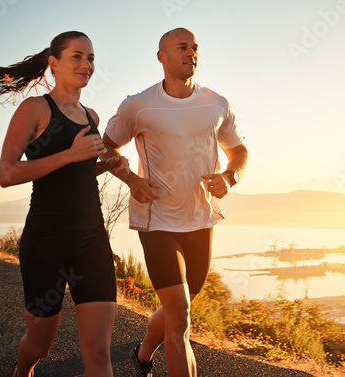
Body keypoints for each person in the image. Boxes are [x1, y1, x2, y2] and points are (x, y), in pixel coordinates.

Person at [102, 27, 249, 377]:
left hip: (201, 220)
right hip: (157, 221)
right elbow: (106, 146)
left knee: (176, 311)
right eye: (183, 47)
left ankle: (142, 353)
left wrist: (229, 177)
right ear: (162, 57)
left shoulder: (217, 103)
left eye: (195, 47)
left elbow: (239, 152)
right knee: (181, 318)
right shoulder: (139, 105)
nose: (191, 53)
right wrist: (131, 180)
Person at [0, 31, 129, 377]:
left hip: (91, 240)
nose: (86, 65)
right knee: (40, 346)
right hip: (46, 242)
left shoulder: (91, 115)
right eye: (77, 56)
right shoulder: (34, 109)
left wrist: (107, 165)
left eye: (91, 58)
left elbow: (78, 171)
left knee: (97, 352)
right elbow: (7, 173)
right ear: (54, 63)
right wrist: (70, 154)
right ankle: (23, 370)